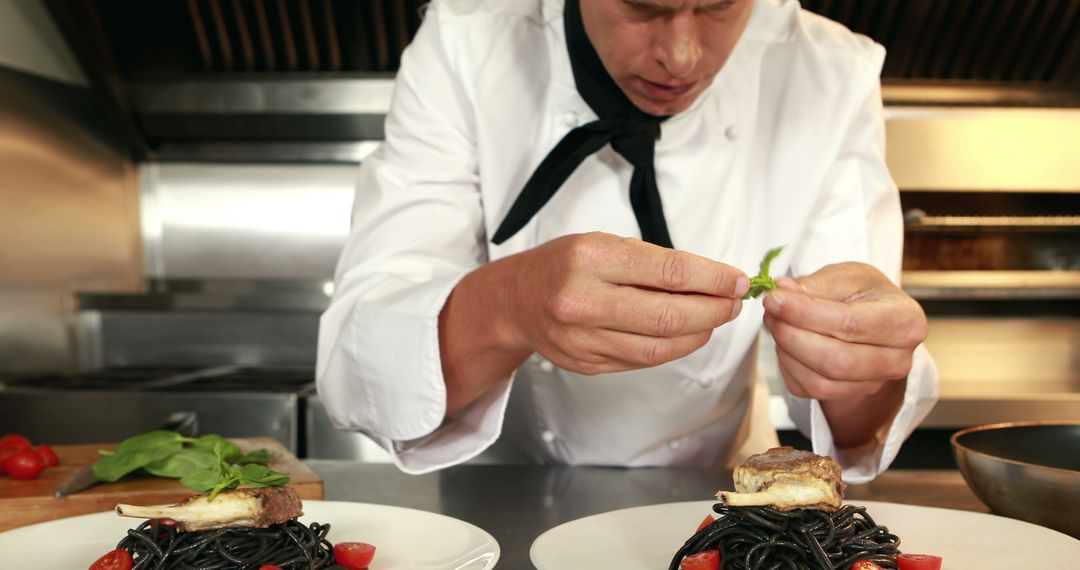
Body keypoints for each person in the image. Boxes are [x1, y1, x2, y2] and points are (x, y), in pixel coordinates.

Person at [316, 0, 938, 483]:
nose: (683, 55)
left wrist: (860, 364)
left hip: (717, 510)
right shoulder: (468, 41)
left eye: (721, 6)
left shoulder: (827, 71)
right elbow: (354, 368)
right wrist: (510, 305)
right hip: (497, 506)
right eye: (643, 6)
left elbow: (857, 422)